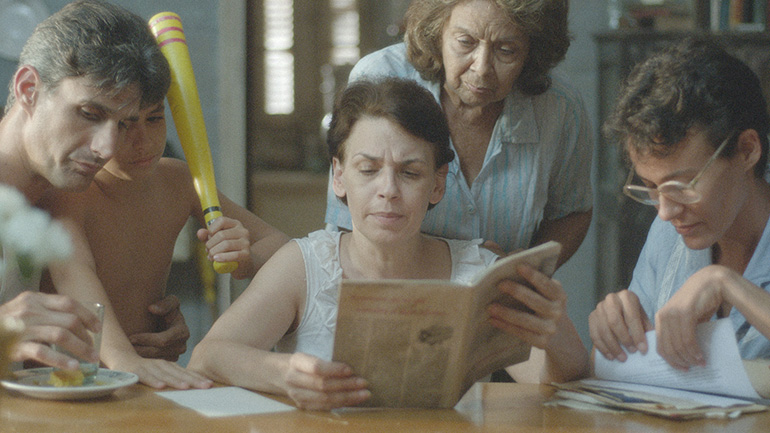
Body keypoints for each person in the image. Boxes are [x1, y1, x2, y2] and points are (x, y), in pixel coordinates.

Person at [188, 77, 587, 410]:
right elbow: (208, 356)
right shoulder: (304, 265)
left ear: (437, 183)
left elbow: (553, 382)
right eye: (368, 169)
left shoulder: (480, 272)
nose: (388, 190)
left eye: (410, 173)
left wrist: (555, 329)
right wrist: (283, 374)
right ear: (339, 176)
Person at [40, 96, 290, 388]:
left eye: (154, 118)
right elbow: (73, 273)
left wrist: (248, 261)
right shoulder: (70, 190)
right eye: (124, 125)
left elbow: (284, 249)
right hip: (64, 381)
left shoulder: (178, 181)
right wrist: (124, 359)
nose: (143, 141)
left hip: (144, 378)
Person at [324, 0, 593, 268]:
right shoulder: (380, 78)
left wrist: (526, 270)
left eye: (506, 50)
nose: (482, 68)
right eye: (465, 42)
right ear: (437, 32)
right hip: (388, 283)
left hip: (502, 292)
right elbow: (346, 223)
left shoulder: (559, 107)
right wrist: (466, 261)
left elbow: (571, 212)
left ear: (532, 51)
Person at [0, 0, 185, 373]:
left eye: (123, 123)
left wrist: (146, 327)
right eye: (89, 114)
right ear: (28, 88)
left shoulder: (69, 200)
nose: (106, 148)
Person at [589, 38, 770, 372]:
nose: (665, 212)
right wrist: (616, 332)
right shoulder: (668, 234)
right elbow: (632, 371)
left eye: (682, 186)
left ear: (747, 150)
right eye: (651, 187)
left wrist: (725, 283)